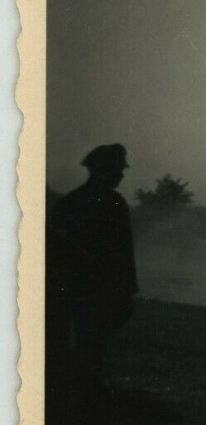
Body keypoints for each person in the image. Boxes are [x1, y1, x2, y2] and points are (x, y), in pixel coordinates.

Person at [46, 143, 139, 400]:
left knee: (77, 340)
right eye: (119, 169)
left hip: (70, 288)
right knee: (94, 342)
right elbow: (123, 254)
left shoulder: (70, 201)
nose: (121, 175)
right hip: (100, 288)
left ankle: (79, 389)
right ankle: (85, 391)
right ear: (107, 171)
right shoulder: (114, 203)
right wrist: (128, 291)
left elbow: (54, 247)